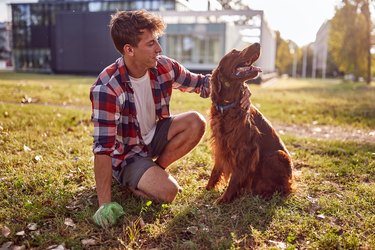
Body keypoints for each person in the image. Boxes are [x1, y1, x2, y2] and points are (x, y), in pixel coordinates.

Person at [90, 9, 251, 228]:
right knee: (169, 192)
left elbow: (205, 84)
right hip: (127, 155)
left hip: (155, 135)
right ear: (129, 50)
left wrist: (241, 87)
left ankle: (156, 169)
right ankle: (133, 178)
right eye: (150, 44)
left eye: (156, 40)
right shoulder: (107, 88)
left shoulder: (164, 66)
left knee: (195, 121)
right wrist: (104, 204)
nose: (159, 48)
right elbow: (103, 150)